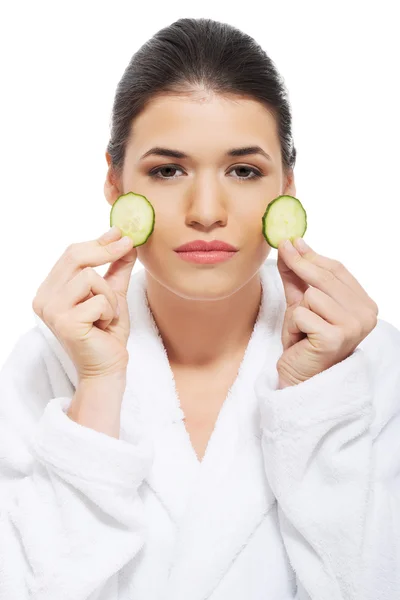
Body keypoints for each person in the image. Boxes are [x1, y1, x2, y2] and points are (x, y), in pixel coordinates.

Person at [0, 17, 399, 600]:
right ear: (114, 184)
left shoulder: (374, 364)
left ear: (287, 186)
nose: (206, 210)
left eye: (243, 171)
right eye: (167, 170)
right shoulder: (45, 362)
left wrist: (318, 397)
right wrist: (99, 384)